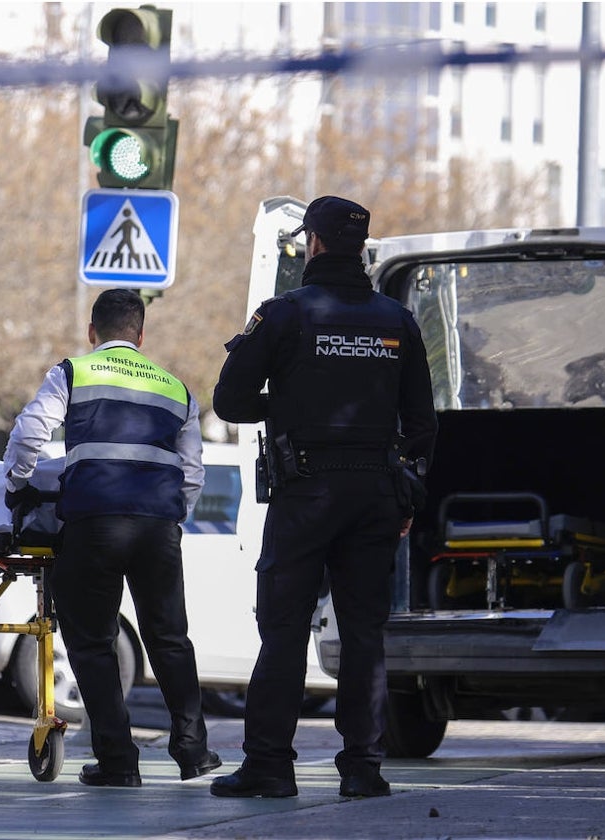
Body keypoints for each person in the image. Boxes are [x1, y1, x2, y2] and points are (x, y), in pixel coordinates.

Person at [209, 195, 437, 799]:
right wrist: (407, 499)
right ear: (359, 247)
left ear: (311, 243)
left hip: (306, 490)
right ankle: (362, 768)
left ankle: (269, 767)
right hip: (376, 496)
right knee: (364, 633)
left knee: (283, 629)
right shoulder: (397, 321)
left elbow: (230, 403)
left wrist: (285, 406)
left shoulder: (284, 315)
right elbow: (422, 422)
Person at [3, 287, 219, 787]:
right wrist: (168, 517)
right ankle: (194, 751)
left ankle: (119, 762)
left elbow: (29, 432)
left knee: (94, 643)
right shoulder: (176, 389)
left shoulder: (73, 372)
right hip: (157, 529)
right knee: (169, 638)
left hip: (93, 525)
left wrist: (16, 485)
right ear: (140, 335)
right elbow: (192, 474)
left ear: (91, 332)